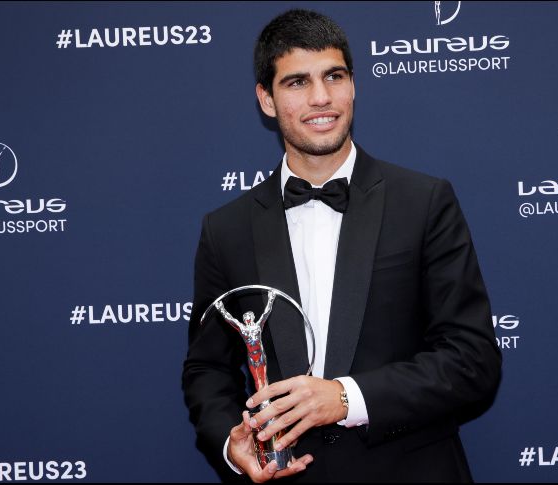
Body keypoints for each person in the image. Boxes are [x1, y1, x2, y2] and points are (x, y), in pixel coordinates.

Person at [182, 9, 501, 483]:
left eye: (334, 77)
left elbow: (472, 360)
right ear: (266, 100)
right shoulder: (225, 229)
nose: (321, 98)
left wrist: (346, 397)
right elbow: (207, 368)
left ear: (353, 85)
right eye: (296, 83)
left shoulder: (424, 201)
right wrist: (232, 443)